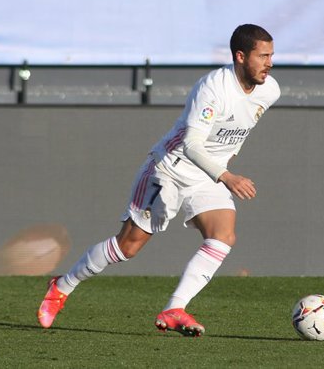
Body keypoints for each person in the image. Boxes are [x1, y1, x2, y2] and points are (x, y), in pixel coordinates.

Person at [37, 24, 279, 336]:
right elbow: (192, 145)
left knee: (223, 235)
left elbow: (240, 129)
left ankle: (174, 308)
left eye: (272, 55)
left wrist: (224, 164)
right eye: (263, 56)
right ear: (241, 56)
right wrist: (227, 175)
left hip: (207, 176)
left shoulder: (270, 90)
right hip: (170, 169)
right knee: (128, 247)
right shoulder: (213, 89)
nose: (270, 63)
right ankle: (62, 286)